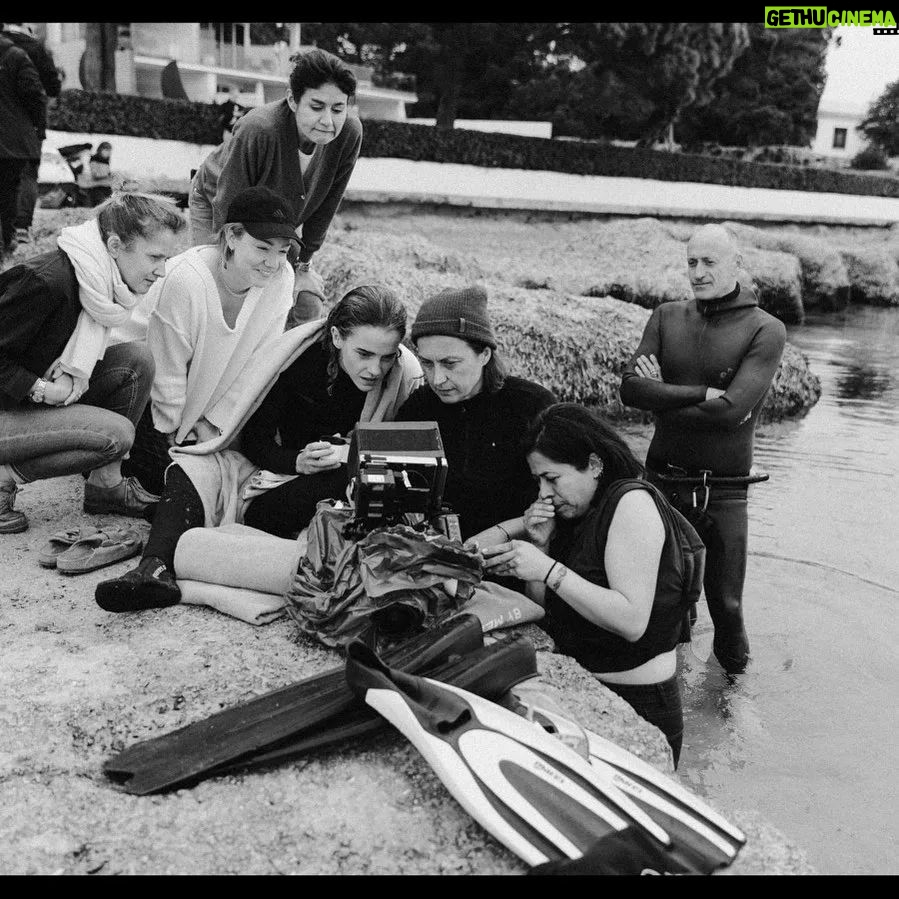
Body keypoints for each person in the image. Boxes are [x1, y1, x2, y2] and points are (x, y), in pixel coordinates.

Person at [94, 284, 423, 613]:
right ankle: (153, 568)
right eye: (364, 354)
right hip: (271, 475)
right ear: (337, 337)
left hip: (332, 491)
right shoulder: (300, 358)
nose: (375, 369)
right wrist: (297, 461)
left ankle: (196, 534)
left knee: (357, 478)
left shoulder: (403, 375)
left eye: (386, 357)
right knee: (193, 466)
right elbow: (253, 438)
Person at [480, 403, 694, 765]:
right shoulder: (580, 510)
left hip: (638, 700)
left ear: (594, 465)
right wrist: (542, 544)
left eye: (553, 478)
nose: (545, 493)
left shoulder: (632, 504)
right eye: (539, 482)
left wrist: (547, 568)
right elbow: (549, 614)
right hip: (585, 687)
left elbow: (631, 621)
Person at [618, 224, 786, 675]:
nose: (697, 272)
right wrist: (701, 393)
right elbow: (631, 391)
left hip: (726, 490)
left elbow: (731, 412)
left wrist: (665, 392)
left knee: (727, 606)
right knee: (665, 599)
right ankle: (671, 691)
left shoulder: (765, 329)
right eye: (691, 261)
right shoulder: (667, 316)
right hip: (663, 484)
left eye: (709, 262)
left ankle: (733, 709)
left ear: (737, 264)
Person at [0, 191, 187, 533]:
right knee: (115, 435)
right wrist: (40, 389)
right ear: (115, 246)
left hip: (22, 405)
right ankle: (2, 478)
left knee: (137, 360)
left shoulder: (96, 282)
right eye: (154, 257)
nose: (161, 271)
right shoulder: (47, 281)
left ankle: (105, 486)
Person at [120, 185, 298, 496]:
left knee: (234, 482)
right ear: (232, 236)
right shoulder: (186, 279)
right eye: (262, 248)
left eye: (282, 251)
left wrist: (214, 426)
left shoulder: (281, 280)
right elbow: (166, 367)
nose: (272, 262)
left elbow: (260, 363)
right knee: (172, 487)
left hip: (206, 406)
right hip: (143, 399)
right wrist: (174, 432)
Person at [189, 48, 362, 324]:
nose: (328, 121)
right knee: (220, 298)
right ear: (293, 100)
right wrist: (234, 265)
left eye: (338, 108)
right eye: (316, 107)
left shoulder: (349, 134)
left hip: (277, 217)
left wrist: (303, 265)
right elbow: (228, 205)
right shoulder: (258, 129)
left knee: (307, 305)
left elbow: (326, 206)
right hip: (217, 204)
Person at [396, 285, 556, 541]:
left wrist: (502, 533)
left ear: (484, 354)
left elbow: (563, 497)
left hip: (518, 554)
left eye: (450, 363)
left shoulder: (532, 407)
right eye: (427, 363)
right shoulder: (417, 409)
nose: (437, 379)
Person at [1, 23, 62, 245]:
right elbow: (50, 88)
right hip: (21, 129)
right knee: (25, 175)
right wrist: (38, 125)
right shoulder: (33, 49)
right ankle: (20, 227)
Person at [0, 27, 45, 259]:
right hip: (10, 141)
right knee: (8, 190)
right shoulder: (16, 55)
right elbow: (35, 95)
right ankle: (8, 241)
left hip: (9, 140)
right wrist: (38, 128)